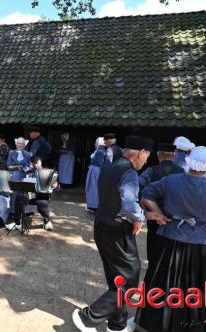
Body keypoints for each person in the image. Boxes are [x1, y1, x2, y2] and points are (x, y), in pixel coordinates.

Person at [134, 146, 206, 332]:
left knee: (166, 284)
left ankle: (159, 324)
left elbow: (147, 193)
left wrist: (159, 214)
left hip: (171, 241)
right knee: (199, 289)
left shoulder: (171, 181)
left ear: (190, 163)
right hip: (204, 245)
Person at [72, 135, 167, 332]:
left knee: (117, 279)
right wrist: (146, 216)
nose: (146, 161)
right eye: (147, 157)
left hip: (102, 225)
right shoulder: (129, 173)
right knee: (129, 281)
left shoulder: (109, 166)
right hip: (117, 231)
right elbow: (130, 207)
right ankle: (87, 318)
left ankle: (117, 325)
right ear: (140, 153)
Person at [138, 143, 184, 269]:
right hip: (175, 213)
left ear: (158, 155)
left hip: (155, 213)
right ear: (174, 156)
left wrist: (142, 206)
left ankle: (153, 263)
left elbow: (139, 186)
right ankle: (170, 265)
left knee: (153, 237)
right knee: (173, 239)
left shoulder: (151, 171)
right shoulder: (182, 172)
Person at [6, 155, 58, 232]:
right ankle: (17, 223)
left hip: (43, 196)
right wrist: (23, 182)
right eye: (32, 163)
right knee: (19, 197)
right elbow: (25, 183)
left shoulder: (49, 172)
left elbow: (56, 184)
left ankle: (47, 221)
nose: (33, 165)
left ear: (39, 162)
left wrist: (55, 185)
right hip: (31, 195)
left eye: (35, 163)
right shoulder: (29, 173)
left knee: (41, 203)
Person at [85, 137, 105, 213]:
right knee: (92, 188)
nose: (94, 144)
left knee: (94, 188)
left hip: (96, 171)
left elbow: (101, 163)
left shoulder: (100, 151)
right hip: (94, 170)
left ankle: (94, 207)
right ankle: (92, 206)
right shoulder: (98, 151)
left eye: (96, 143)